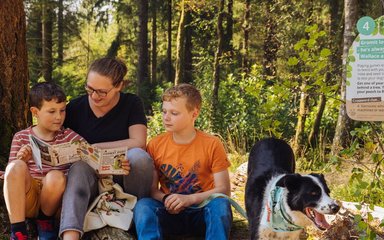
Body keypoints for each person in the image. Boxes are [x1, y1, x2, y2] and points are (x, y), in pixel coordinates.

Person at [60, 57, 153, 240]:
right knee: (78, 168)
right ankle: (70, 233)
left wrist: (96, 148)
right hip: (90, 181)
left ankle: (137, 220)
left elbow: (139, 141)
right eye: (90, 89)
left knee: (139, 157)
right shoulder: (76, 108)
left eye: (102, 92)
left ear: (118, 86)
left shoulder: (131, 103)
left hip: (124, 175)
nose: (94, 96)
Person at [134, 83, 233, 239]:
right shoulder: (155, 144)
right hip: (169, 213)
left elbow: (224, 190)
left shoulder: (212, 144)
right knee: (143, 206)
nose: (166, 117)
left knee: (220, 205)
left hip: (202, 212)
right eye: (164, 111)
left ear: (194, 114)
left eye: (174, 113)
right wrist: (166, 199)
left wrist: (189, 199)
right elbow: (153, 190)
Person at [4, 82, 84, 240]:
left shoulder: (69, 136)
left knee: (56, 176)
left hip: (54, 199)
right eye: (52, 111)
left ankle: (45, 222)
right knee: (15, 166)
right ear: (35, 112)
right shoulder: (21, 137)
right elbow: (11, 175)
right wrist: (22, 160)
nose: (59, 117)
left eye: (62, 110)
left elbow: (91, 154)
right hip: (28, 197)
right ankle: (18, 231)